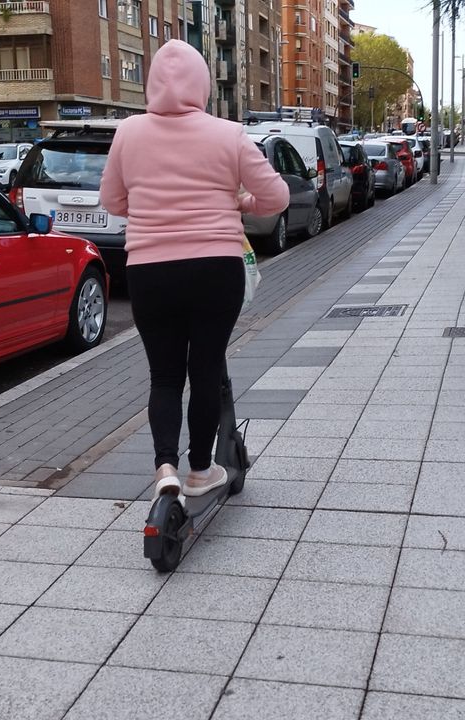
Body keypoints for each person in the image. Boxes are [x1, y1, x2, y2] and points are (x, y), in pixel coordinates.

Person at [101, 41, 289, 497]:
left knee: (164, 375)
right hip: (214, 269)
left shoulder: (129, 132)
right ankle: (201, 471)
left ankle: (165, 465)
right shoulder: (228, 134)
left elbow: (112, 201)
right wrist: (240, 201)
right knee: (205, 368)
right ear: (203, 84)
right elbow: (277, 197)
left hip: (149, 270)